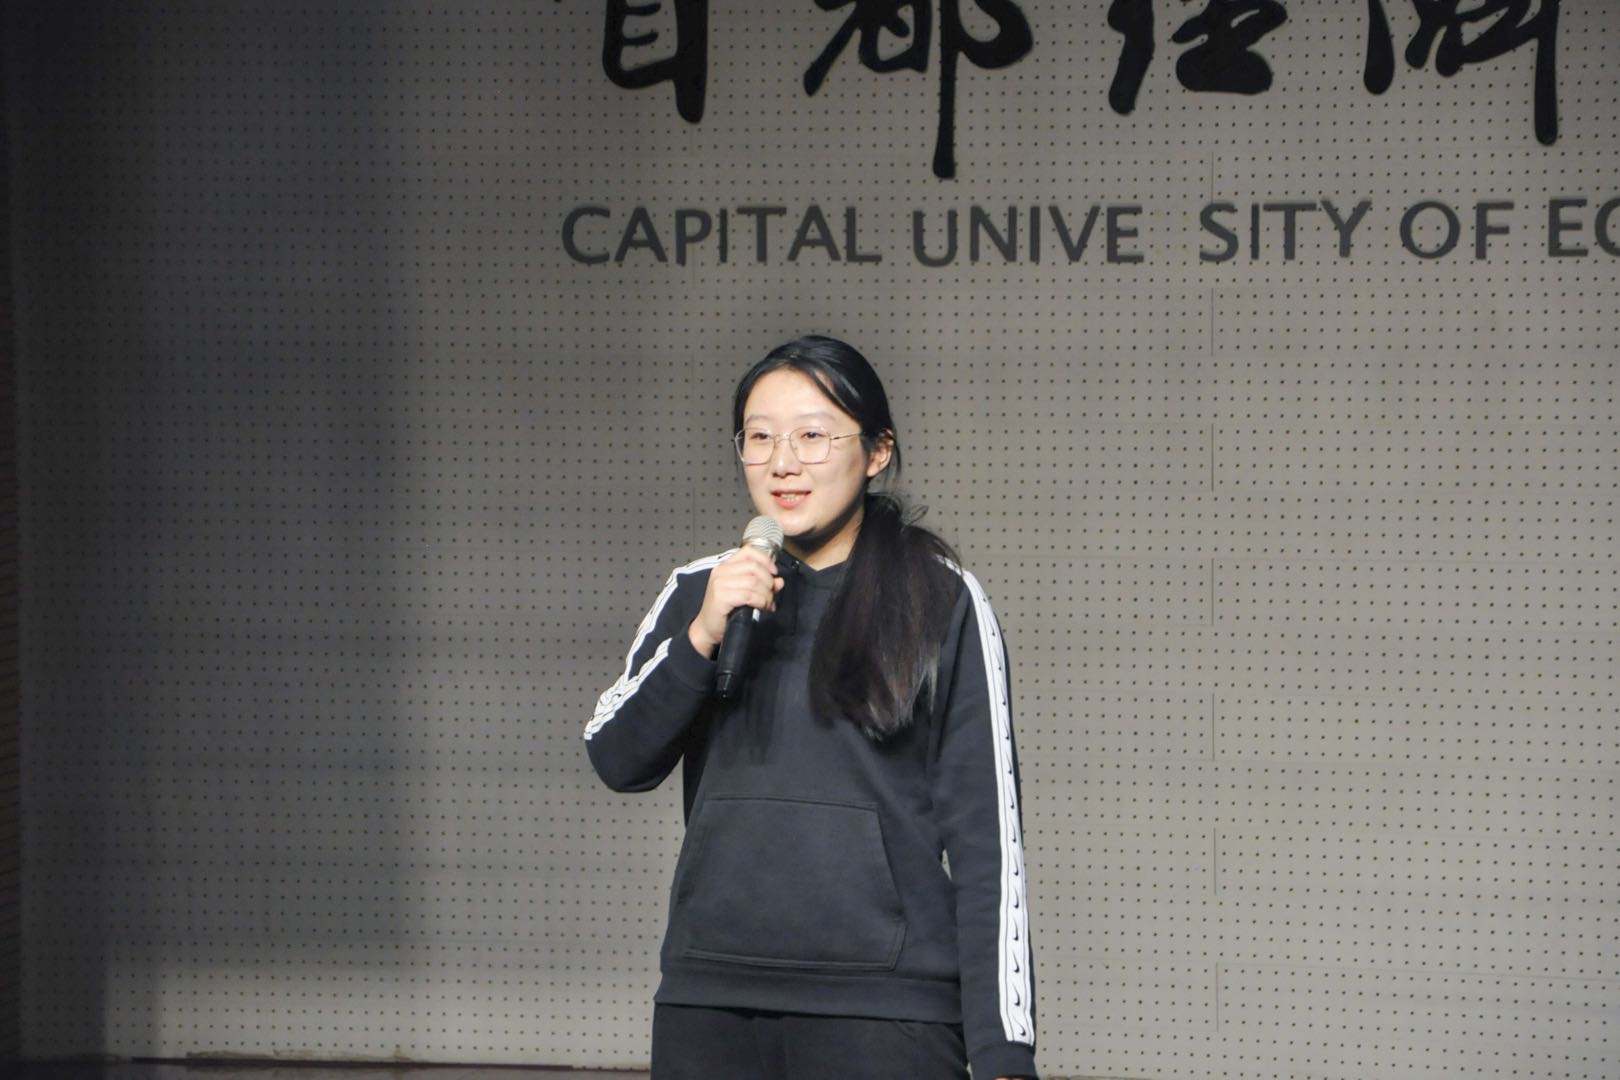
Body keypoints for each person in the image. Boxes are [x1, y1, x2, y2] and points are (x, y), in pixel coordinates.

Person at [584, 335, 1037, 1079]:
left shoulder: (940, 597)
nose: (782, 463)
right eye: (759, 438)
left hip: (886, 1012)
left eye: (813, 436)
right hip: (710, 1001)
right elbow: (616, 757)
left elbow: (989, 841)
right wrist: (701, 637)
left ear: (877, 451)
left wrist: (1004, 1052)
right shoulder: (702, 590)